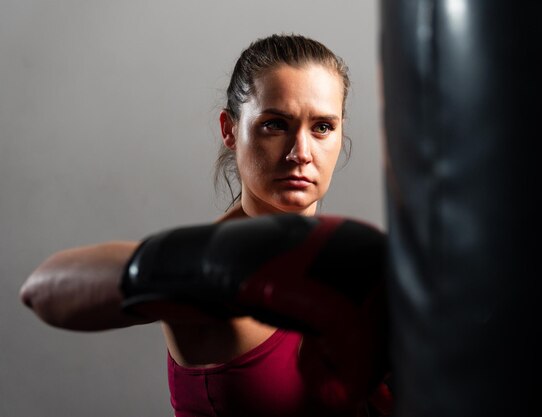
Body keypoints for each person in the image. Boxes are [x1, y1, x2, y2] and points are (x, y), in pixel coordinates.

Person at [20, 34, 392, 417]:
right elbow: (42, 290)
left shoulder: (355, 263)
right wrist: (209, 266)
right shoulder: (215, 269)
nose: (301, 152)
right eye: (275, 124)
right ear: (230, 130)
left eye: (322, 127)